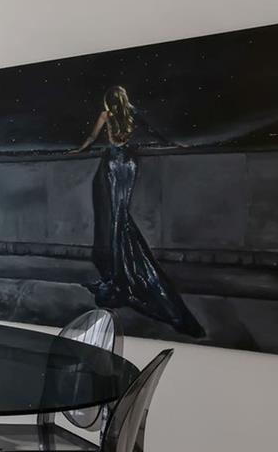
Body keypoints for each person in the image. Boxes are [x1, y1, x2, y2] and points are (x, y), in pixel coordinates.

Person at [76, 86, 204, 337]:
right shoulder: (131, 114)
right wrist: (174, 144)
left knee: (115, 216)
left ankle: (119, 271)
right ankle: (123, 265)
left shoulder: (106, 115)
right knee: (121, 215)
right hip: (130, 162)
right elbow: (156, 133)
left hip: (113, 163)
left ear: (109, 100)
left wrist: (79, 150)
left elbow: (92, 138)